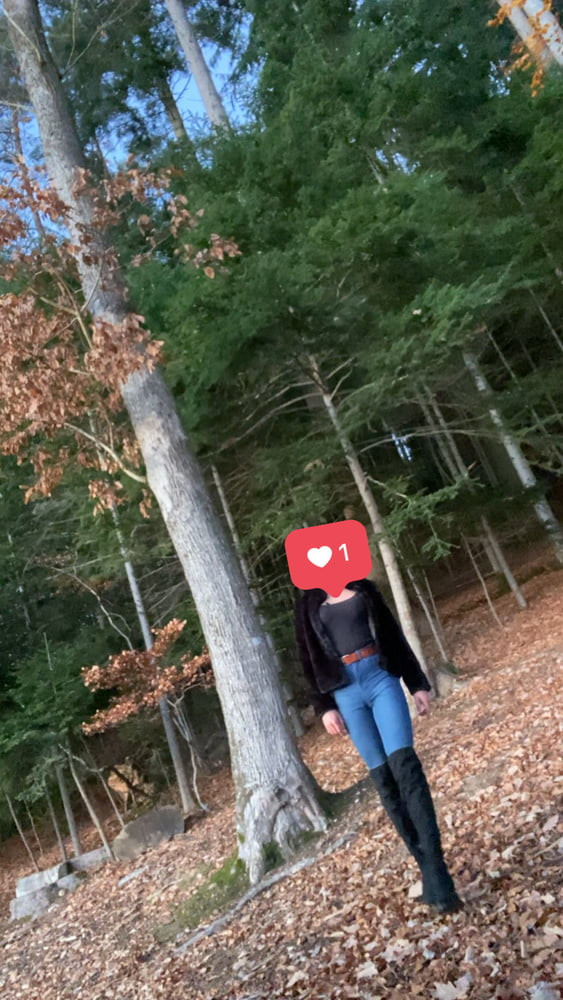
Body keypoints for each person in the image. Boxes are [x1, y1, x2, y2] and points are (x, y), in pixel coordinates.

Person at [294, 576, 462, 914]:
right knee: (384, 781)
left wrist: (417, 683)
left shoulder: (364, 588)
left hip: (381, 678)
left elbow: (393, 635)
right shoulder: (307, 601)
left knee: (406, 769)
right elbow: (307, 659)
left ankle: (438, 875)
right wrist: (324, 707)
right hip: (345, 692)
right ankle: (427, 870)